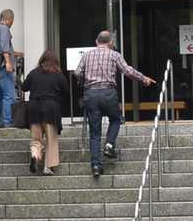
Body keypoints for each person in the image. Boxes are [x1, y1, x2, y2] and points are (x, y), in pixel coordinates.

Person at [74, 30, 155, 179]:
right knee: (116, 119)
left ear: (96, 41)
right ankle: (109, 144)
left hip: (91, 94)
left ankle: (96, 166)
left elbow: (77, 72)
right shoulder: (114, 55)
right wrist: (144, 79)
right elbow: (128, 71)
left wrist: (84, 81)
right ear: (111, 43)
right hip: (108, 93)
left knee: (94, 132)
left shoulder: (86, 55)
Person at [22, 51, 69, 175]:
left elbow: (24, 87)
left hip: (33, 109)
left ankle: (35, 154)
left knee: (36, 138)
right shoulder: (58, 74)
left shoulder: (33, 73)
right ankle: (48, 167)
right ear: (56, 61)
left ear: (41, 60)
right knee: (51, 139)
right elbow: (66, 90)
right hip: (50, 109)